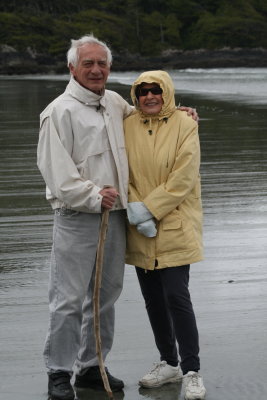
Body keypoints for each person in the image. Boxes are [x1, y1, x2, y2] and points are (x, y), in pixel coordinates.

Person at [37, 34, 198, 400]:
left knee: (105, 295)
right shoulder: (58, 111)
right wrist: (93, 195)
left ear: (109, 68)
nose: (96, 70)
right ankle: (59, 371)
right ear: (72, 68)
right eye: (88, 63)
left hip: (118, 218)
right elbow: (57, 174)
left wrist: (181, 114)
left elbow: (150, 116)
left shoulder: (114, 103)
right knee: (68, 298)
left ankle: (92, 366)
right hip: (77, 216)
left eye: (102, 63)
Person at [124, 70, 206, 400]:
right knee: (153, 300)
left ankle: (191, 370)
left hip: (175, 225)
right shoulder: (126, 124)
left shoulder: (186, 124)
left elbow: (184, 177)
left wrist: (148, 210)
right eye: (142, 91)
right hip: (139, 229)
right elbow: (120, 171)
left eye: (155, 89)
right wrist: (134, 209)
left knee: (176, 297)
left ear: (166, 91)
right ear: (136, 95)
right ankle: (168, 363)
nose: (149, 96)